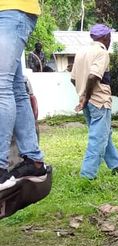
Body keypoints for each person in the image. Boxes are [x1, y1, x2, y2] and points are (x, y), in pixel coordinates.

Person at [71, 24, 118, 180]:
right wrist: (88, 95)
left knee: (104, 134)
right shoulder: (102, 53)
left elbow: (73, 78)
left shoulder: (81, 52)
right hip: (99, 101)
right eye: (110, 37)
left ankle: (116, 164)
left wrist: (83, 95)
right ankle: (87, 175)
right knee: (98, 139)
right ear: (106, 37)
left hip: (87, 102)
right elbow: (93, 76)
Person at [0, 1, 49, 191]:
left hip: (10, 9)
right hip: (12, 12)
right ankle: (34, 162)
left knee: (2, 85)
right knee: (15, 88)